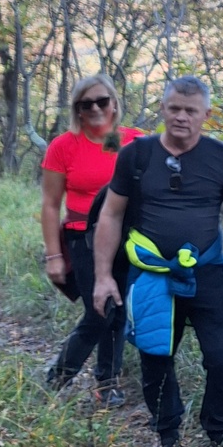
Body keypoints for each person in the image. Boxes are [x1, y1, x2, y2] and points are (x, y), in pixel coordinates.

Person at [92, 75, 223, 447]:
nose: (182, 117)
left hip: (207, 272)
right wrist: (103, 276)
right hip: (152, 275)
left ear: (206, 114)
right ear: (162, 108)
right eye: (175, 108)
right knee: (155, 357)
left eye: (191, 111)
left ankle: (222, 434)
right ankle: (167, 435)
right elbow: (111, 215)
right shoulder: (136, 155)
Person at [39, 73, 142, 406]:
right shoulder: (64, 146)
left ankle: (107, 382)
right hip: (82, 237)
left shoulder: (133, 141)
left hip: (128, 238)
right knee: (100, 310)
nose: (95, 109)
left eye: (102, 101)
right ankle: (57, 378)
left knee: (118, 308)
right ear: (77, 109)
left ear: (114, 103)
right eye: (86, 104)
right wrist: (53, 256)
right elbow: (50, 204)